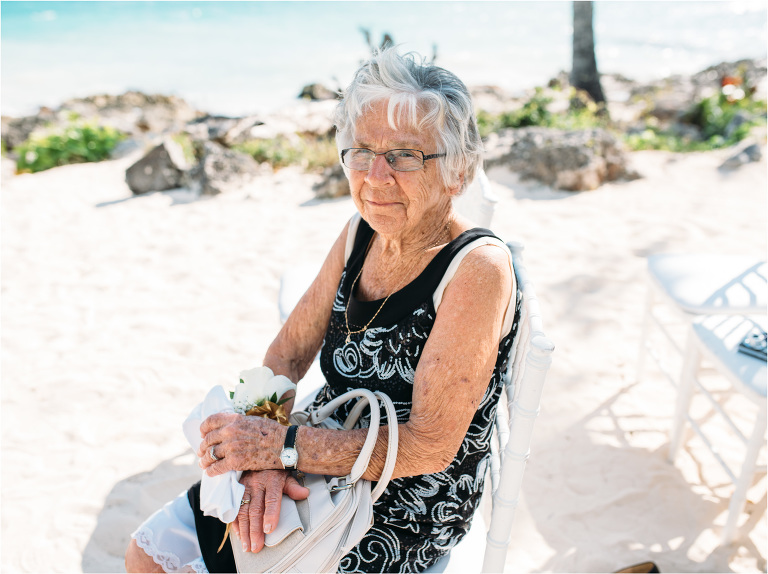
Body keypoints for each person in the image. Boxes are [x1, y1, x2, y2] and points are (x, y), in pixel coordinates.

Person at [126, 47, 520, 574]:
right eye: (362, 151)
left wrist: (282, 448)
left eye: (405, 155)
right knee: (145, 555)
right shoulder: (362, 232)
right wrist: (266, 454)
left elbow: (428, 447)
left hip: (401, 503)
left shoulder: (477, 270)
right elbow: (288, 353)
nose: (375, 176)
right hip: (317, 450)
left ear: (457, 171)